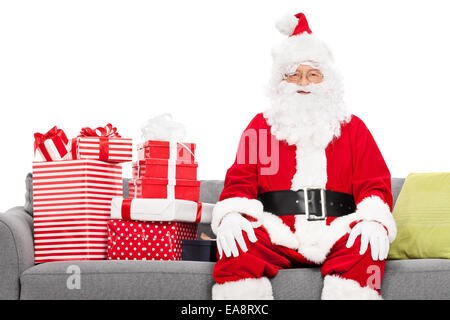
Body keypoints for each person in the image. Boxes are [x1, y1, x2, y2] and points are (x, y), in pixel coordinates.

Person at [211, 12, 396, 300]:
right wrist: (233, 215)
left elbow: (374, 184)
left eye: (313, 74)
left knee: (365, 244)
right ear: (280, 82)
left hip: (336, 233)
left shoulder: (353, 128)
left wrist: (374, 220)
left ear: (327, 82)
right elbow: (240, 182)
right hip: (277, 233)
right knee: (238, 244)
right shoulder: (260, 127)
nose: (303, 82)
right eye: (294, 74)